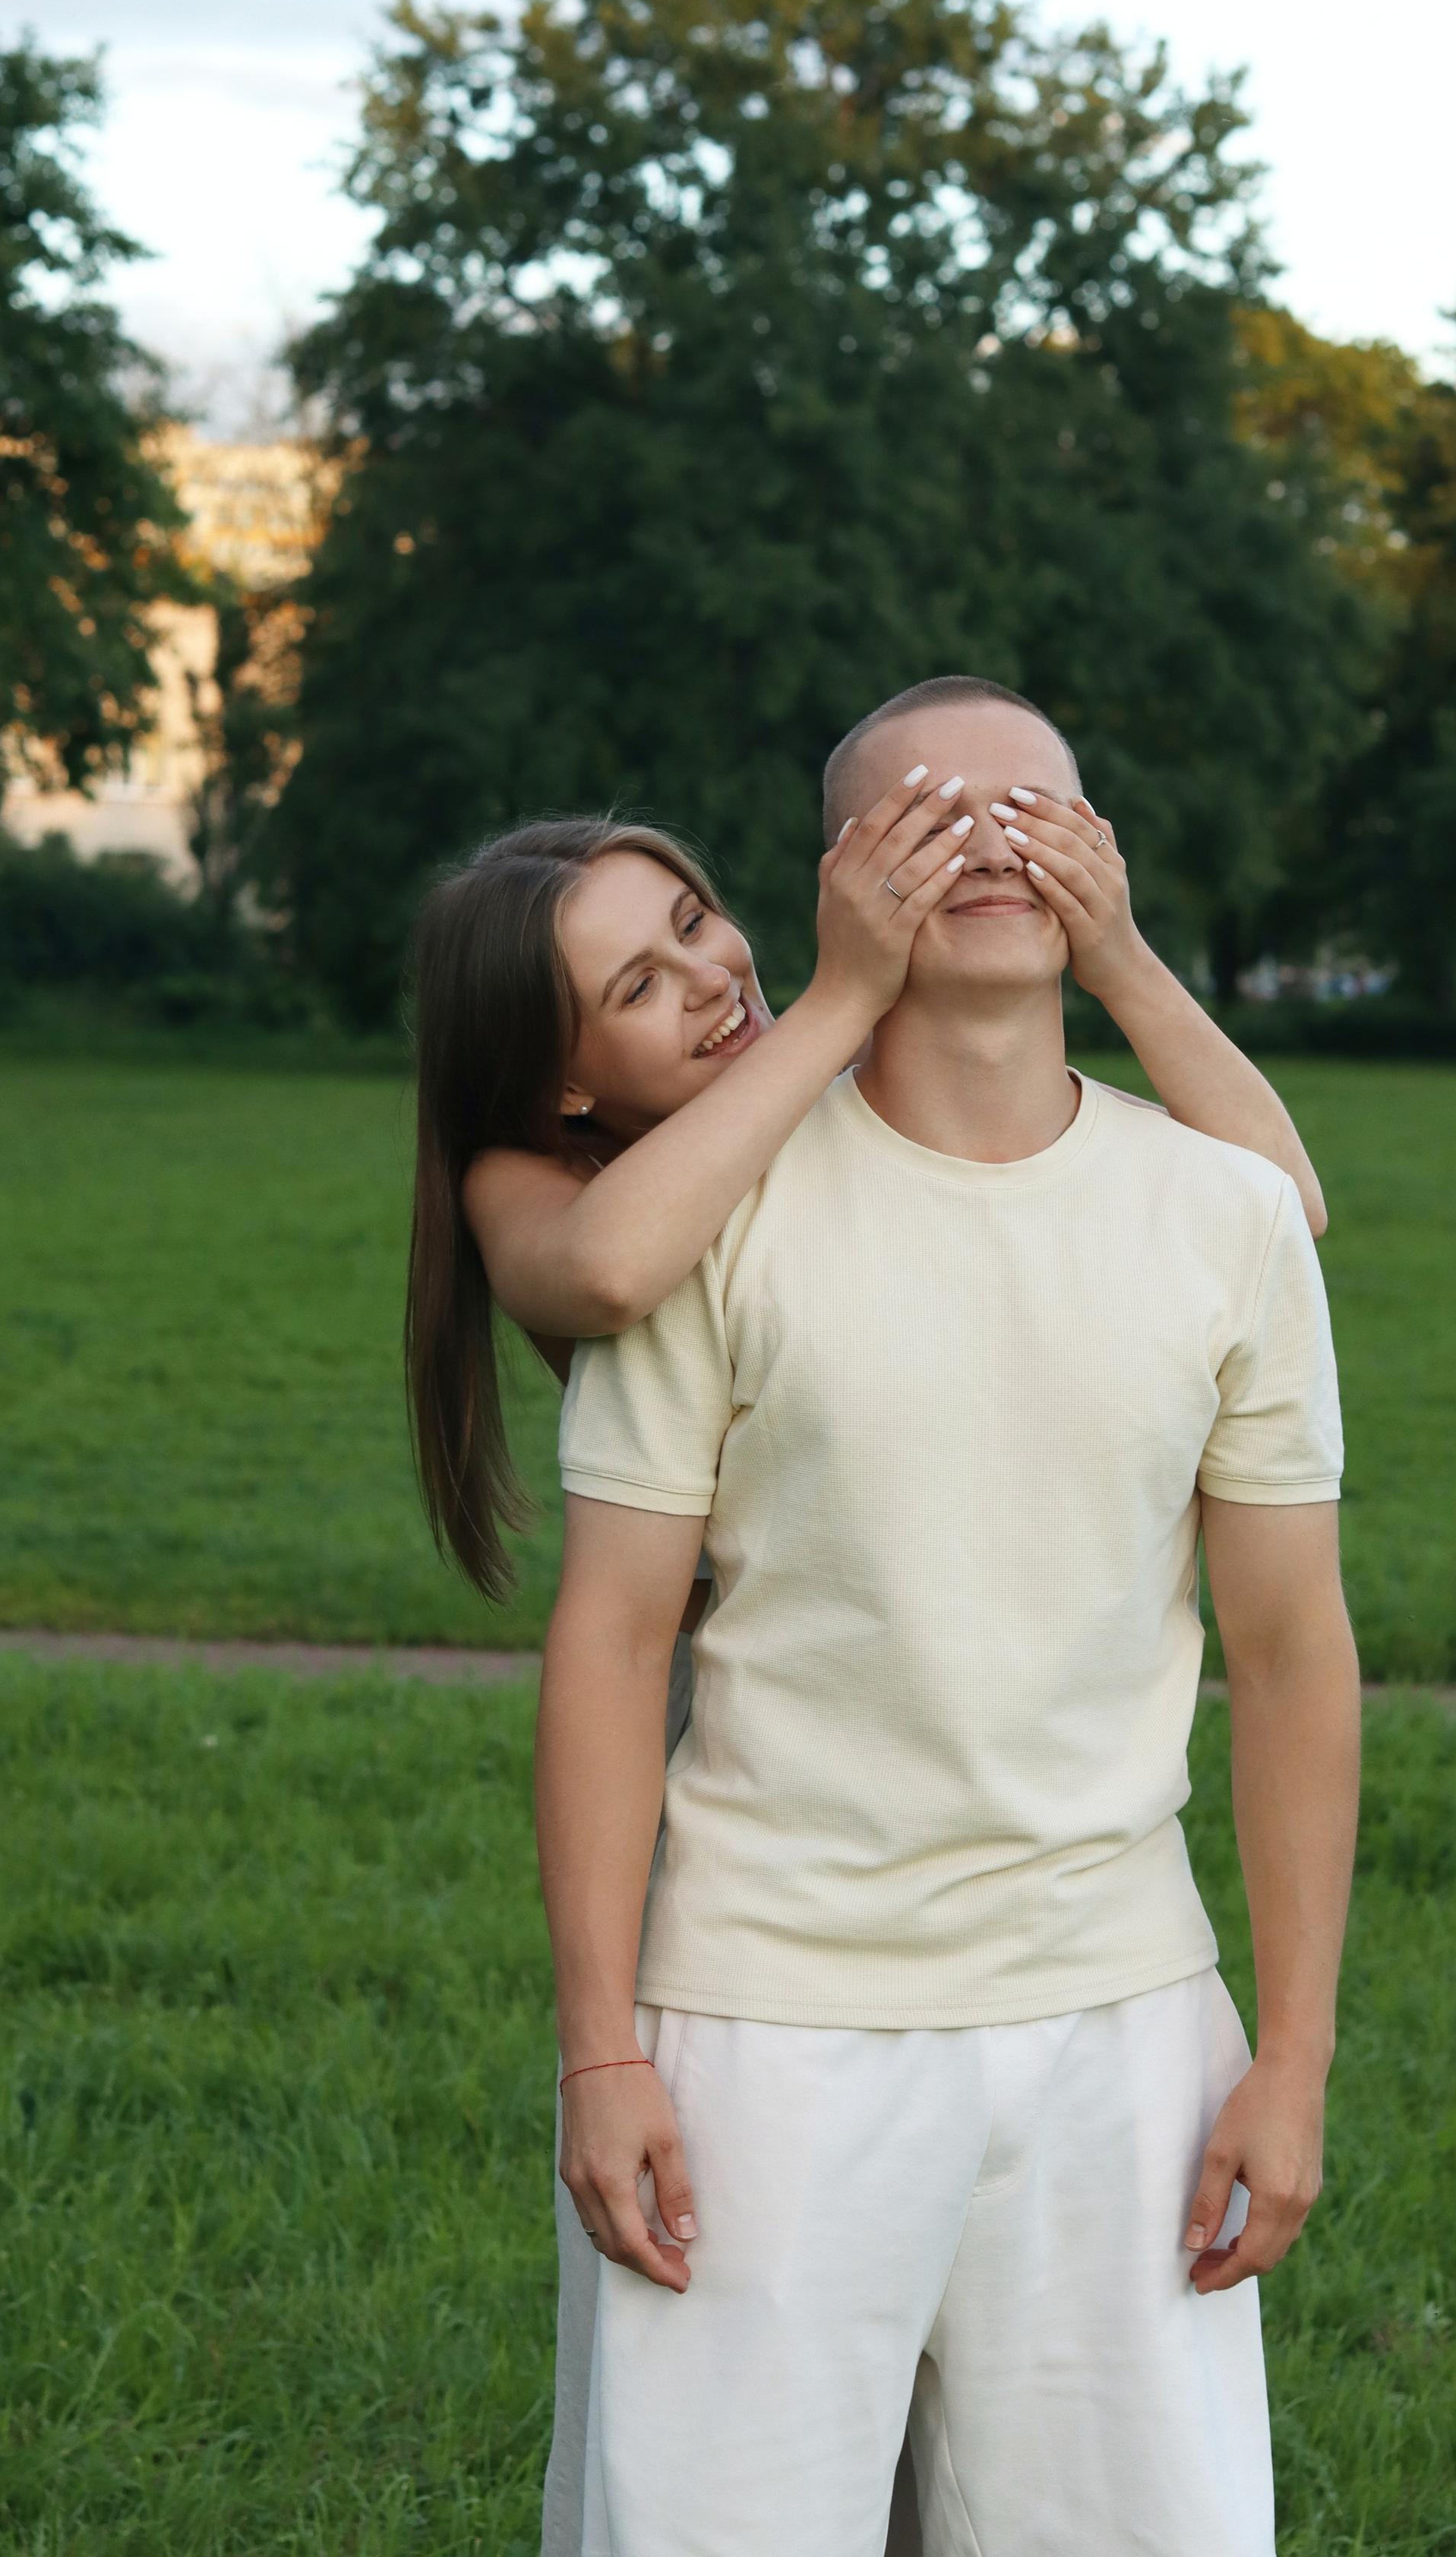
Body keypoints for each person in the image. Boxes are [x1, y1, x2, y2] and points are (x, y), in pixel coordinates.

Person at [535, 676, 1361, 2555]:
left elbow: (1290, 1656)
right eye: (923, 813)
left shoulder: (1224, 1214)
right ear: (836, 884)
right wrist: (602, 2049)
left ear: (1103, 866)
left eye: (1032, 809)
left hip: (1124, 2033)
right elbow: (607, 1642)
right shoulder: (710, 1215)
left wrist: (1290, 2057)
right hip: (759, 2030)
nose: (984, 842)